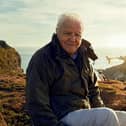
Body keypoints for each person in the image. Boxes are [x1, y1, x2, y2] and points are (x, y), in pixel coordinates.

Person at [26, 13, 126, 126]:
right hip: (61, 117)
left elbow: (94, 91)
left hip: (84, 112)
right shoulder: (42, 58)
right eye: (68, 33)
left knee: (123, 117)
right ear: (57, 32)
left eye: (77, 35)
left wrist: (99, 112)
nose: (73, 39)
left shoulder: (84, 57)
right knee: (107, 116)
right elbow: (36, 103)